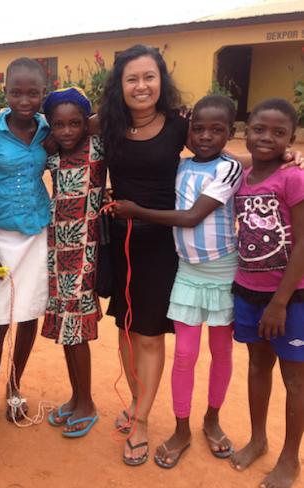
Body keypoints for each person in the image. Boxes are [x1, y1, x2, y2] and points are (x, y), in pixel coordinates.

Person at [113, 95, 242, 467]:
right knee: (184, 355)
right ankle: (181, 427)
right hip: (187, 271)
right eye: (198, 128)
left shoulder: (229, 169)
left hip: (221, 273)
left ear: (230, 134)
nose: (205, 136)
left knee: (221, 353)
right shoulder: (181, 167)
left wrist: (137, 212)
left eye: (217, 130)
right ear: (187, 131)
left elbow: (191, 217)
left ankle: (212, 420)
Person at [98, 44, 186, 465]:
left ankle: (145, 421)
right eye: (132, 78)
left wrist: (282, 159)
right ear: (120, 85)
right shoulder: (108, 127)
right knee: (125, 328)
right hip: (120, 242)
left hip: (160, 245)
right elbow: (61, 132)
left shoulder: (178, 127)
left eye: (149, 77)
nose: (141, 86)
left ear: (161, 80)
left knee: (149, 334)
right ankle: (136, 404)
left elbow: (218, 151)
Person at [230, 99, 304, 488]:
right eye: (259, 129)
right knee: (258, 366)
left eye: (279, 134)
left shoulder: (293, 178)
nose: (267, 138)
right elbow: (219, 152)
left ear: (291, 139)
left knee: (295, 379)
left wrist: (280, 301)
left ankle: (290, 458)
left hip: (290, 299)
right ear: (246, 129)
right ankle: (258, 439)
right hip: (247, 290)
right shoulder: (240, 175)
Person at [0, 57, 50, 434]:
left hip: (36, 232)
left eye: (32, 92)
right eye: (16, 92)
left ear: (42, 94)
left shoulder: (46, 130)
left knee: (28, 314)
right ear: (4, 93)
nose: (24, 99)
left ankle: (14, 386)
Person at [41, 87, 105, 437]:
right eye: (59, 125)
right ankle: (76, 395)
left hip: (84, 252)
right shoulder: (50, 154)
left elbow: (114, 114)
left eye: (75, 123)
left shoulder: (98, 148)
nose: (67, 131)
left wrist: (93, 122)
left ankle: (88, 403)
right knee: (67, 329)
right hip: (56, 250)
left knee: (77, 329)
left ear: (86, 123)